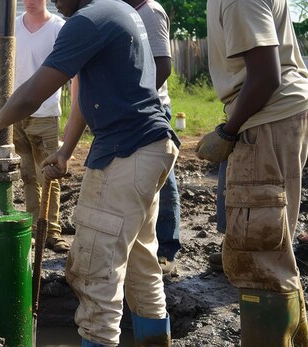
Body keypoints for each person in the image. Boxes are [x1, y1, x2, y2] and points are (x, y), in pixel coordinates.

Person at [0, 0, 179, 345]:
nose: (54, 0)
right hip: (151, 147)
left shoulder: (87, 21)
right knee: (142, 268)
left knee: (94, 275)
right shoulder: (119, 11)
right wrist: (66, 151)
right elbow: (90, 93)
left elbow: (33, 95)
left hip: (124, 154)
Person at [198, 0, 308, 344]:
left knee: (258, 252)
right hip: (280, 112)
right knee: (272, 242)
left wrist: (228, 131)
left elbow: (265, 76)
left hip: (269, 114)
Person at [124, 0, 180, 275]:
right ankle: (138, 243)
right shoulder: (123, 11)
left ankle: (167, 248)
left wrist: (137, 100)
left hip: (153, 106)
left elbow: (163, 66)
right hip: (131, 106)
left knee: (162, 179)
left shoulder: (151, 12)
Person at [13, 0, 69, 252]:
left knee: (49, 174)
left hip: (45, 113)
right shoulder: (12, 28)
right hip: (16, 112)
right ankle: (35, 228)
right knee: (27, 174)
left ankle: (52, 231)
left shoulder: (58, 27)